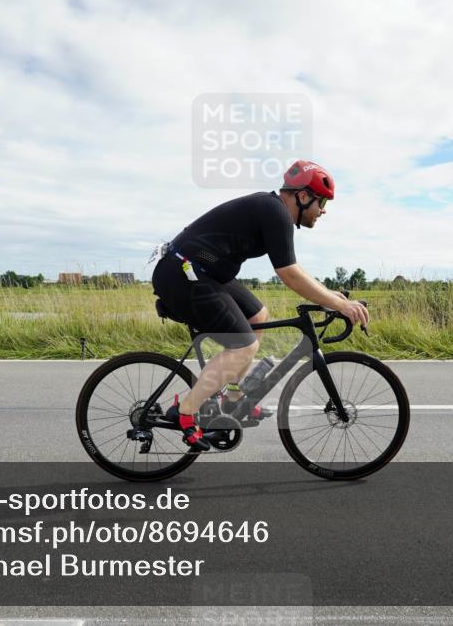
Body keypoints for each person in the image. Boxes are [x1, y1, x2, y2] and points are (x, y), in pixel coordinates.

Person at [151, 160, 369, 451]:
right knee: (243, 346)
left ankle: (232, 397)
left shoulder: (274, 211)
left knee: (258, 316)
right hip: (182, 272)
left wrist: (335, 298)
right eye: (322, 202)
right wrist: (337, 304)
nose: (324, 210)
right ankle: (185, 412)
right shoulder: (275, 211)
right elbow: (289, 274)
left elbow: (296, 269)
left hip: (202, 271)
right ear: (303, 197)